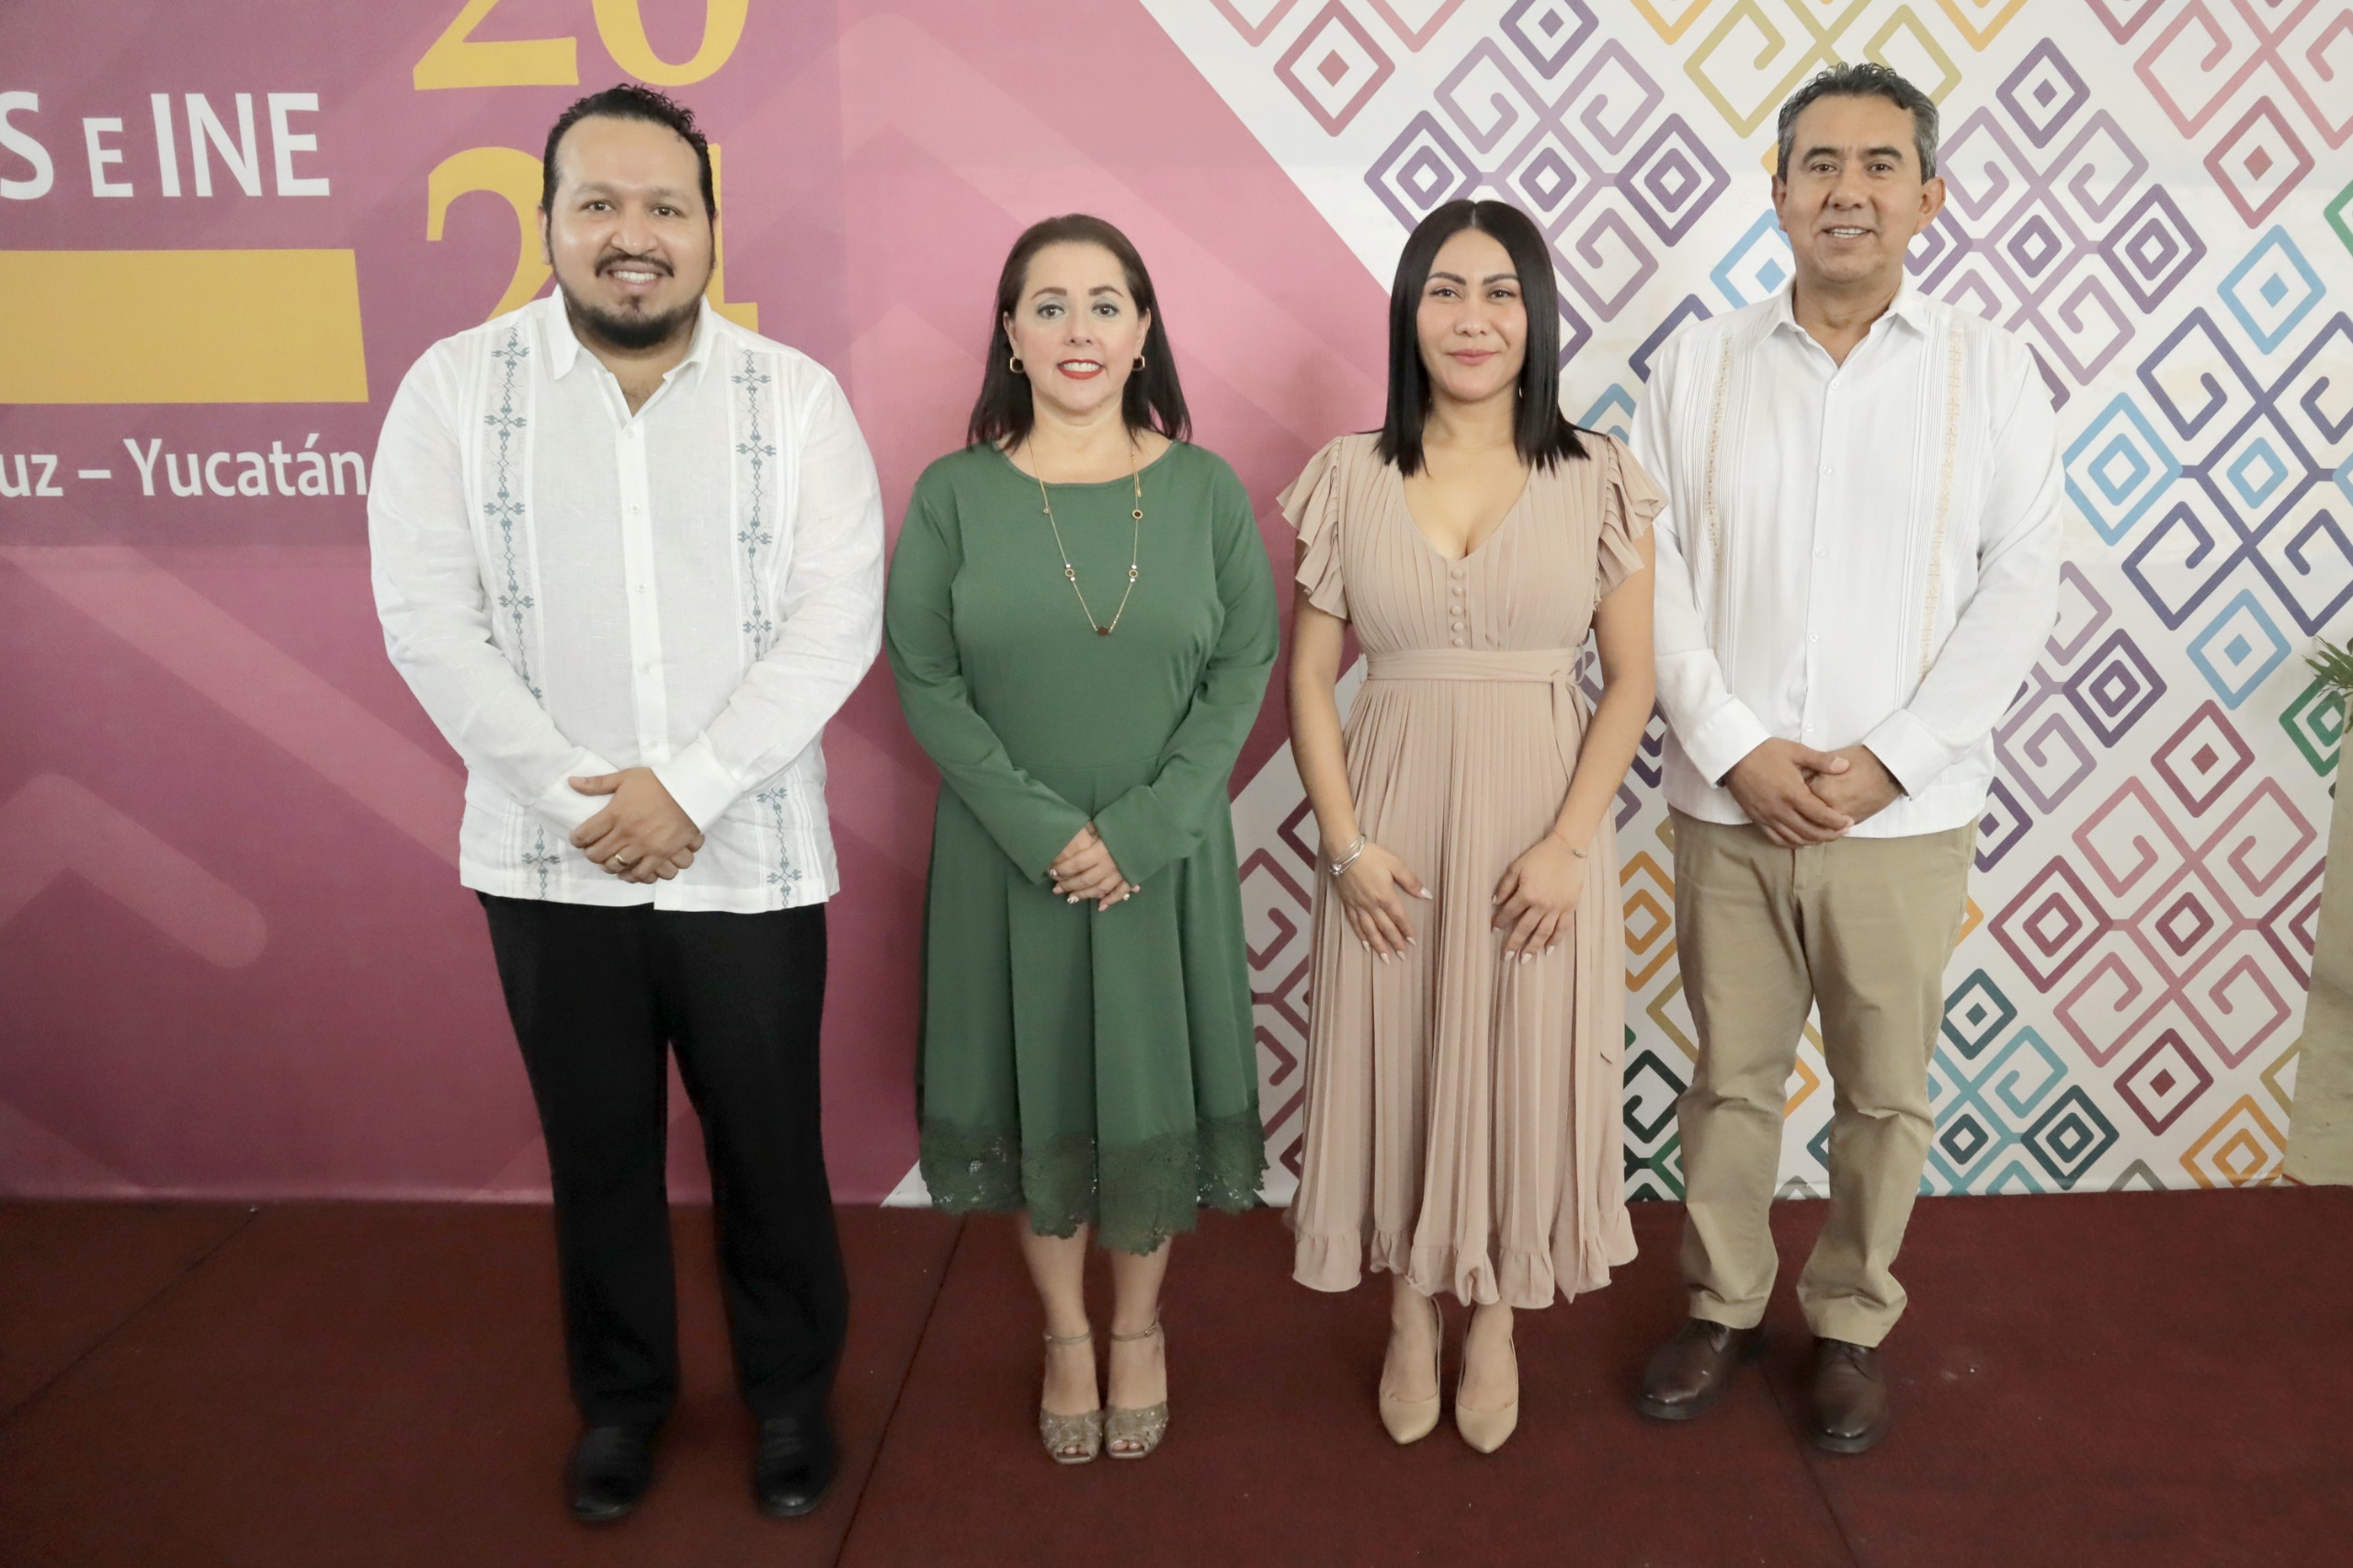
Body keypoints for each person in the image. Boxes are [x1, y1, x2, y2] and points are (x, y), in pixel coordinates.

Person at [368, 85, 883, 1521]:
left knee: (770, 1147)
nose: (632, 234)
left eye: (665, 205)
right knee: (597, 1151)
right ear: (548, 224)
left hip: (751, 854)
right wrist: (578, 798)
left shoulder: (796, 400)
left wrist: (693, 788)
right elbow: (429, 622)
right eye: (598, 203)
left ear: (711, 226)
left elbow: (835, 620)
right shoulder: (452, 393)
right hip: (548, 864)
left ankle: (791, 1396)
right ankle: (622, 1402)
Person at [1631, 62, 2061, 1454]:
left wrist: (1894, 759)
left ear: (1930, 197)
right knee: (1730, 1079)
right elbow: (1650, 571)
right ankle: (1721, 1305)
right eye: (1819, 164)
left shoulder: (1991, 370)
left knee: (1886, 1094)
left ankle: (1855, 1320)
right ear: (1778, 194)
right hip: (1730, 806)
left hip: (1906, 816)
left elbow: (2022, 582)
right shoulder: (1697, 366)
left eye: (1881, 165)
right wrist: (1734, 744)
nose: (1848, 191)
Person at [884, 214, 1278, 1464]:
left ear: (1144, 329)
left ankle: (1139, 1326)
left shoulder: (1206, 490)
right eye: (1047, 305)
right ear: (1009, 333)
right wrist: (1042, 828)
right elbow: (923, 674)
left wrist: (1148, 827)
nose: (1078, 330)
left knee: (1148, 1090)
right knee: (1037, 1086)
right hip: (1009, 858)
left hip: (1163, 857)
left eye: (1106, 303)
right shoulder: (952, 494)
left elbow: (1243, 666)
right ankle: (1064, 1332)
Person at [1284, 199, 1659, 1454]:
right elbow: (1308, 680)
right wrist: (1344, 845)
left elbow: (1633, 680)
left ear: (1536, 314)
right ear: (1409, 313)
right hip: (1386, 828)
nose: (1473, 317)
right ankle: (1408, 1305)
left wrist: (1567, 846)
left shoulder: (1598, 473)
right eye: (1445, 290)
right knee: (1396, 1056)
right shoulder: (1348, 474)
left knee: (1520, 1059)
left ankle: (1496, 1313)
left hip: (1538, 828)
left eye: (1501, 291)